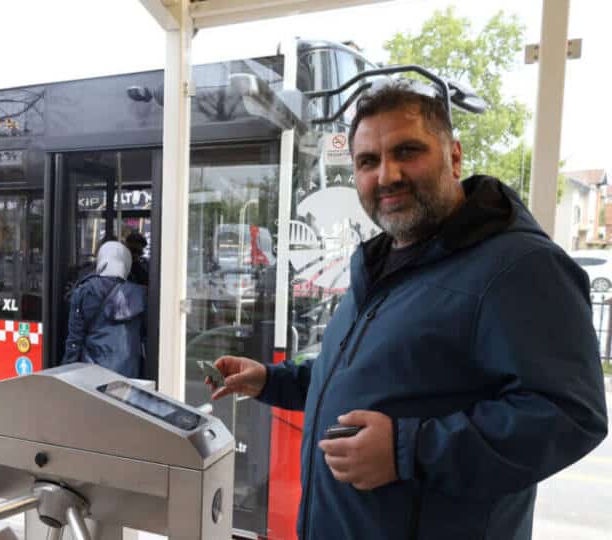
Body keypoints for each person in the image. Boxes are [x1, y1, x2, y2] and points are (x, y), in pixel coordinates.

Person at [210, 80, 608, 540]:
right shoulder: (381, 261)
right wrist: (271, 380)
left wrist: (408, 450)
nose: (388, 175)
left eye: (408, 152)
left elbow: (569, 416)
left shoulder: (519, 266)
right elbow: (378, 373)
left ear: (454, 157)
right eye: (368, 161)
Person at [63, 240, 147, 378]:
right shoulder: (139, 294)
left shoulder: (85, 290)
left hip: (93, 370)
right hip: (129, 370)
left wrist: (66, 370)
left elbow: (75, 338)